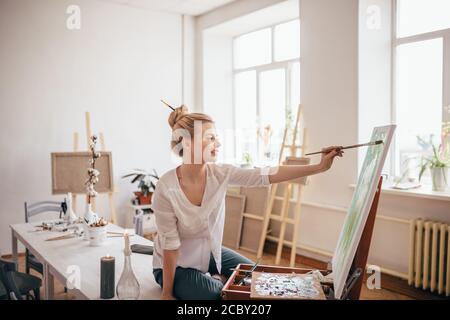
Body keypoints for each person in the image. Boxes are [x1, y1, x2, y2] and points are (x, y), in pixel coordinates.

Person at [152, 104, 344, 300]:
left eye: (217, 138)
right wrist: (167, 293)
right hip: (175, 267)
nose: (217, 144)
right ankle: (216, 280)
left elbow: (265, 175)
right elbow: (170, 246)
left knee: (260, 275)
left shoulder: (220, 174)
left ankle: (217, 277)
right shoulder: (166, 189)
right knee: (218, 294)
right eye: (211, 138)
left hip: (207, 255)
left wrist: (319, 166)